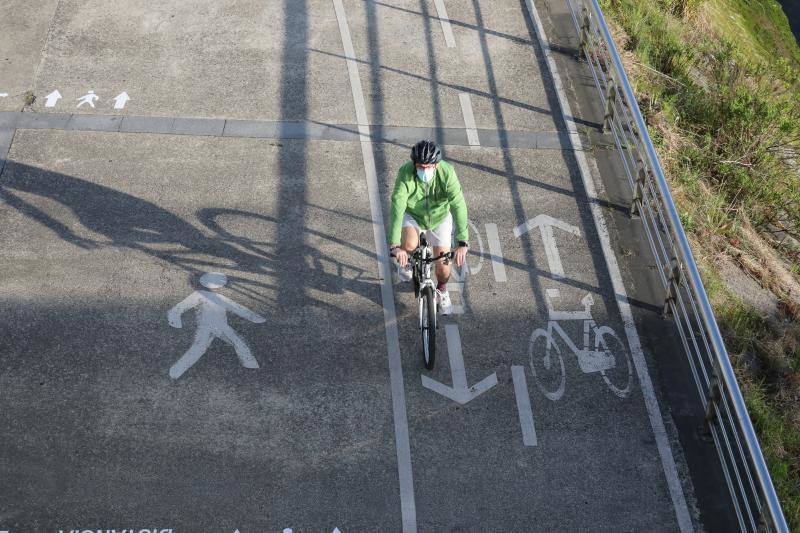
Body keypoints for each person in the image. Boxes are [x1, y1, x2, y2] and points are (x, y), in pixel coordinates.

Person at [388, 140, 468, 315]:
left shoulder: (447, 173)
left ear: (436, 165)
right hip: (413, 215)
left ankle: (442, 289)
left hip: (440, 218)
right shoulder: (405, 172)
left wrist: (463, 242)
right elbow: (398, 205)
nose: (424, 170)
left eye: (428, 166)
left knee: (444, 266)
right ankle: (407, 262)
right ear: (414, 164)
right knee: (409, 245)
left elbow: (458, 204)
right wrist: (395, 246)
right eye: (420, 166)